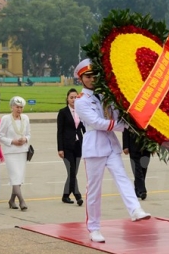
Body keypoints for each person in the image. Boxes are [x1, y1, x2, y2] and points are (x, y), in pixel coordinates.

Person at [73, 58, 151, 243]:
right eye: (88, 76)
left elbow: (116, 114)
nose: (93, 79)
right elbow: (96, 123)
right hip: (94, 146)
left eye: (95, 75)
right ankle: (94, 228)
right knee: (94, 190)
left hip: (110, 145)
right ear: (81, 79)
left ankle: (135, 209)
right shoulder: (81, 101)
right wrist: (124, 126)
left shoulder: (105, 95)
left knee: (122, 177)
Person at [0, 96, 31, 211]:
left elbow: (28, 134)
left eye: (21, 107)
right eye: (17, 107)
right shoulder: (6, 119)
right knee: (14, 176)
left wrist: (25, 139)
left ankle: (12, 200)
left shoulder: (25, 118)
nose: (19, 109)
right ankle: (22, 200)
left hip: (22, 151)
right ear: (12, 107)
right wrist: (12, 141)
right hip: (11, 152)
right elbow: (0, 136)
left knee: (19, 178)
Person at [57, 88, 85, 206]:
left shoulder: (82, 111)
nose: (73, 99)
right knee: (72, 171)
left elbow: (85, 129)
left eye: (75, 97)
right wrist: (60, 148)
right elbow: (60, 131)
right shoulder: (63, 112)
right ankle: (78, 195)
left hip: (78, 145)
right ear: (67, 99)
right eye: (71, 97)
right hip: (67, 146)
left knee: (73, 173)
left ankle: (65, 195)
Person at [122, 128, 151, 200]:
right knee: (137, 168)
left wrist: (153, 146)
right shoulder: (130, 116)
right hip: (133, 145)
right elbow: (125, 129)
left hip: (146, 145)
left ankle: (138, 187)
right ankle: (142, 190)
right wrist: (125, 146)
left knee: (144, 167)